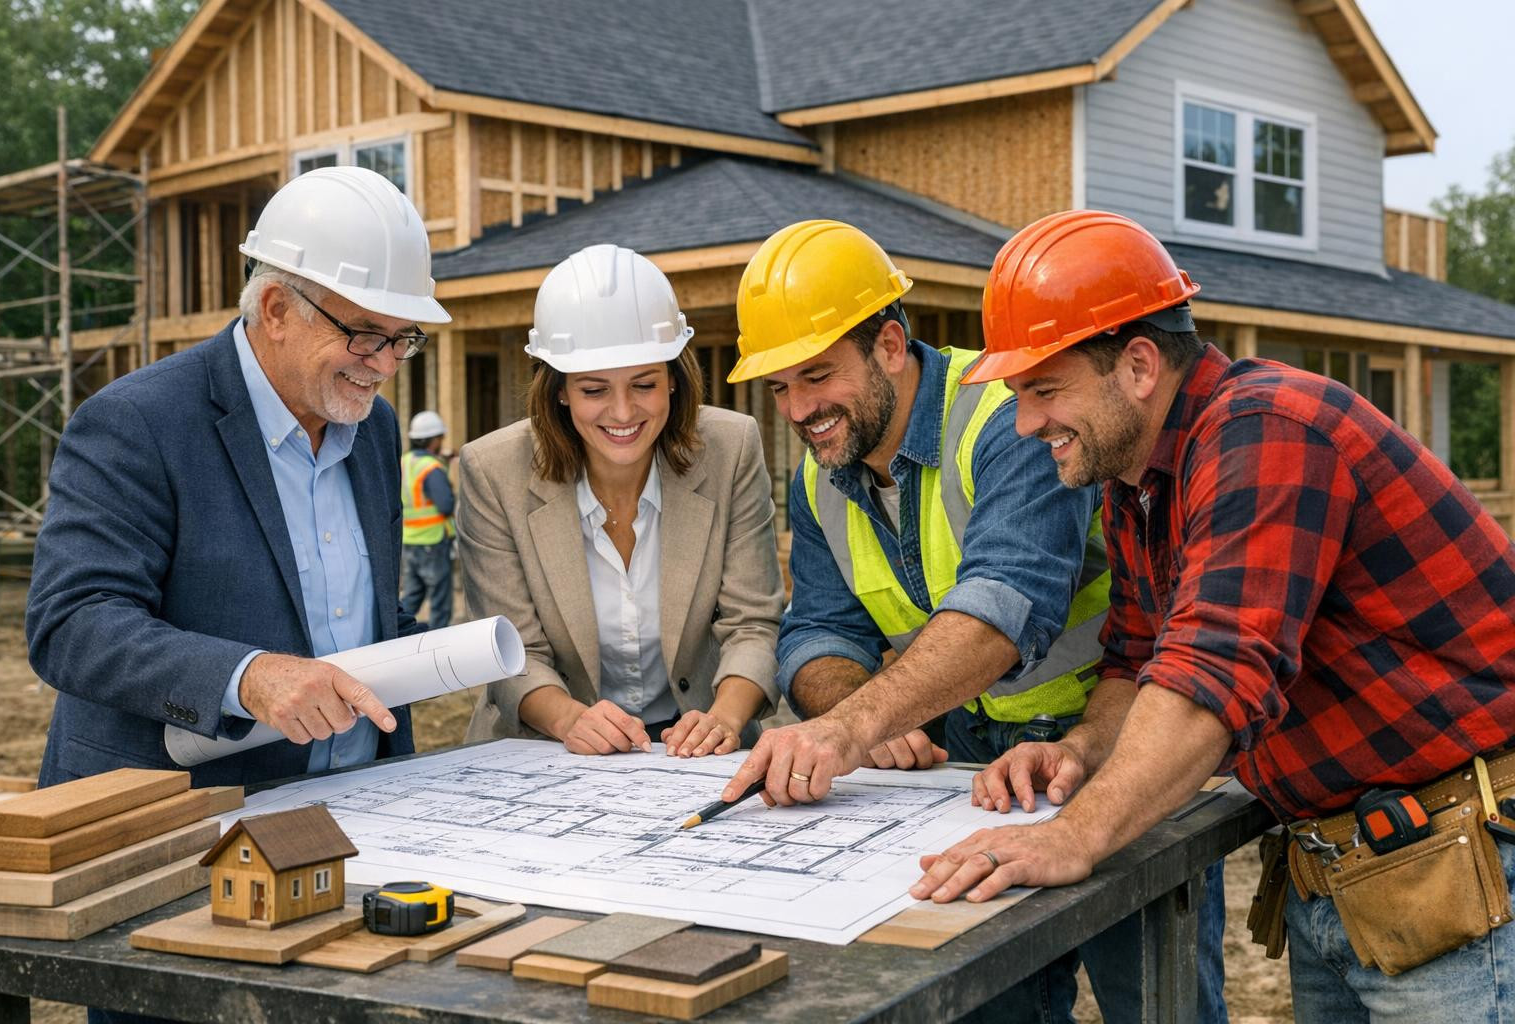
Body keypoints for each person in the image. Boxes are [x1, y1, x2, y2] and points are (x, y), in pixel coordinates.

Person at [913, 208, 1515, 1022]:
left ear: (1137, 365)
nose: (1026, 423)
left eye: (1045, 389)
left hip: (1461, 864)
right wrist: (1083, 752)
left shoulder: (1264, 428)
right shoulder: (1137, 481)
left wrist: (1071, 836)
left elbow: (1213, 671)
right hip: (1345, 866)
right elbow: (1135, 654)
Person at [719, 219, 1225, 1022]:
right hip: (960, 773)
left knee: (1154, 999)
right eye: (779, 387)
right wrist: (860, 714)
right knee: (991, 1003)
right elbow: (816, 636)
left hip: (1107, 741)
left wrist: (850, 727)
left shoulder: (1010, 417)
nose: (799, 408)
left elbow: (1003, 602)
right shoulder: (821, 477)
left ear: (889, 344)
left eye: (816, 375)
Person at [26, 166, 451, 795]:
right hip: (182, 815)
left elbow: (357, 611)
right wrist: (248, 677)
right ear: (277, 310)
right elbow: (73, 623)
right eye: (365, 336)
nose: (385, 364)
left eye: (402, 339)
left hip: (362, 797)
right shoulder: (139, 422)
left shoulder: (374, 428)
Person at [458, 243, 783, 757]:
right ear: (559, 390)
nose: (623, 411)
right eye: (594, 390)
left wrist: (723, 717)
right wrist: (570, 719)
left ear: (674, 380)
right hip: (548, 747)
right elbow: (511, 650)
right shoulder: (492, 471)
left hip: (696, 746)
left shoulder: (731, 448)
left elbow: (752, 622)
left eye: (644, 384)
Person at [400, 408, 456, 630]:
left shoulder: (404, 461)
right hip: (432, 541)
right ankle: (438, 642)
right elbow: (445, 505)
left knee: (412, 595)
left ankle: (395, 636)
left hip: (409, 539)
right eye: (440, 438)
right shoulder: (431, 468)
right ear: (433, 440)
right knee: (440, 599)